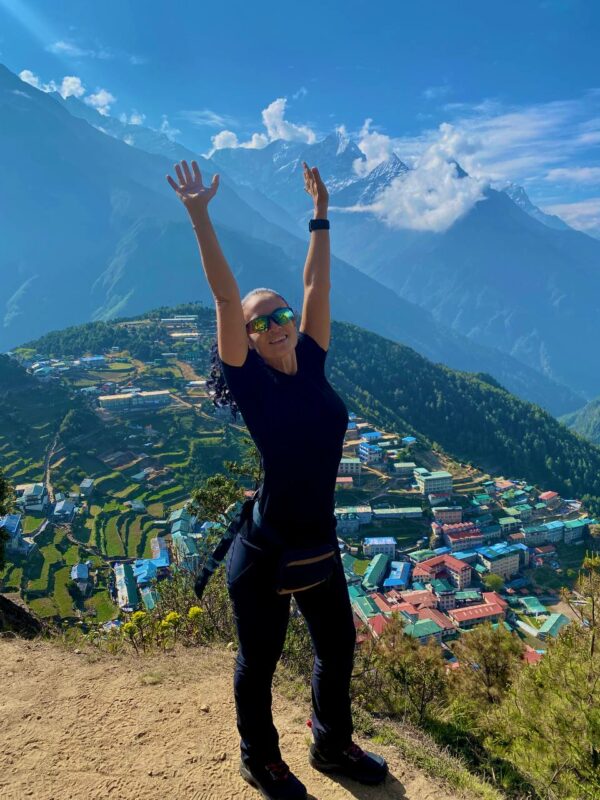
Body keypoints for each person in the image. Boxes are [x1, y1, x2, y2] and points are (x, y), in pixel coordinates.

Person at [166, 159, 388, 800]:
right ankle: (259, 758)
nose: (274, 323)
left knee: (338, 645)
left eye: (278, 314)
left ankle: (331, 743)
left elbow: (316, 286)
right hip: (265, 554)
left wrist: (321, 214)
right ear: (246, 338)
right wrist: (199, 214)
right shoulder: (252, 383)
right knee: (258, 662)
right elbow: (226, 296)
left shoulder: (313, 358)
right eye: (259, 322)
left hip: (318, 541)